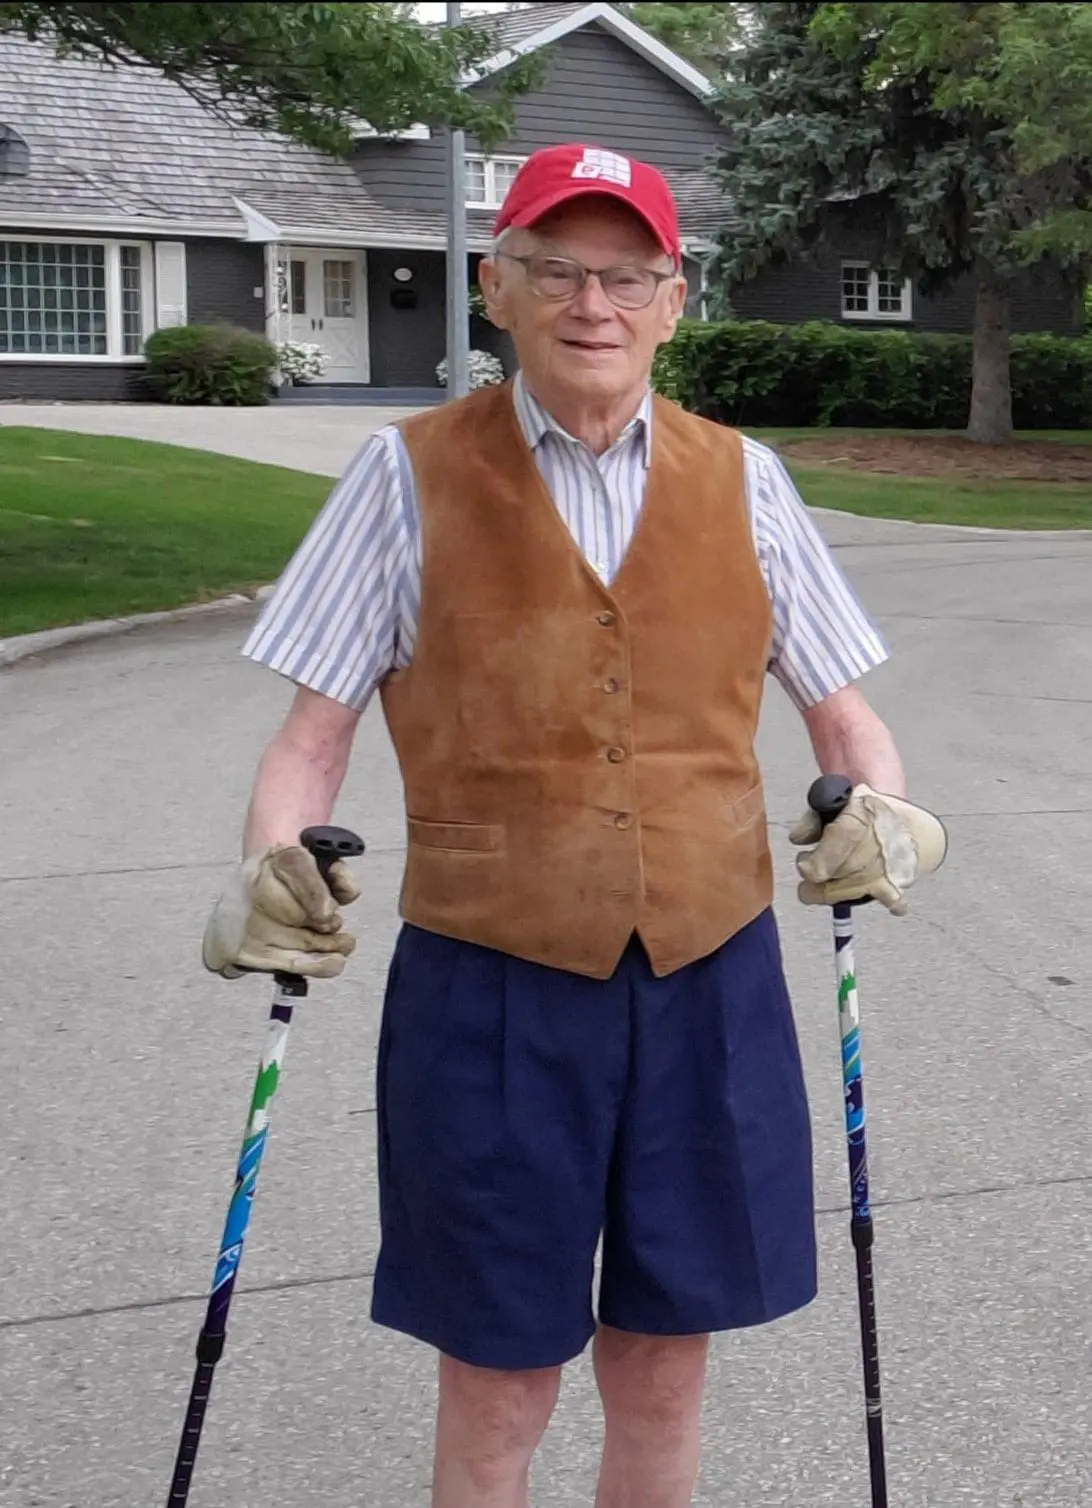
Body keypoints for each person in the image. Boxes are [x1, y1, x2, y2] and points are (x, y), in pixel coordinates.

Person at [202, 143, 948, 1508]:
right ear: (500, 288)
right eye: (556, 268)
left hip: (707, 976)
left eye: (627, 276)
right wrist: (272, 869)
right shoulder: (401, 475)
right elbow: (313, 738)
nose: (591, 303)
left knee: (664, 1368)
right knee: (499, 1380)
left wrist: (885, 812)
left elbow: (844, 719)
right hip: (489, 985)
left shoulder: (749, 481)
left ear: (675, 300)